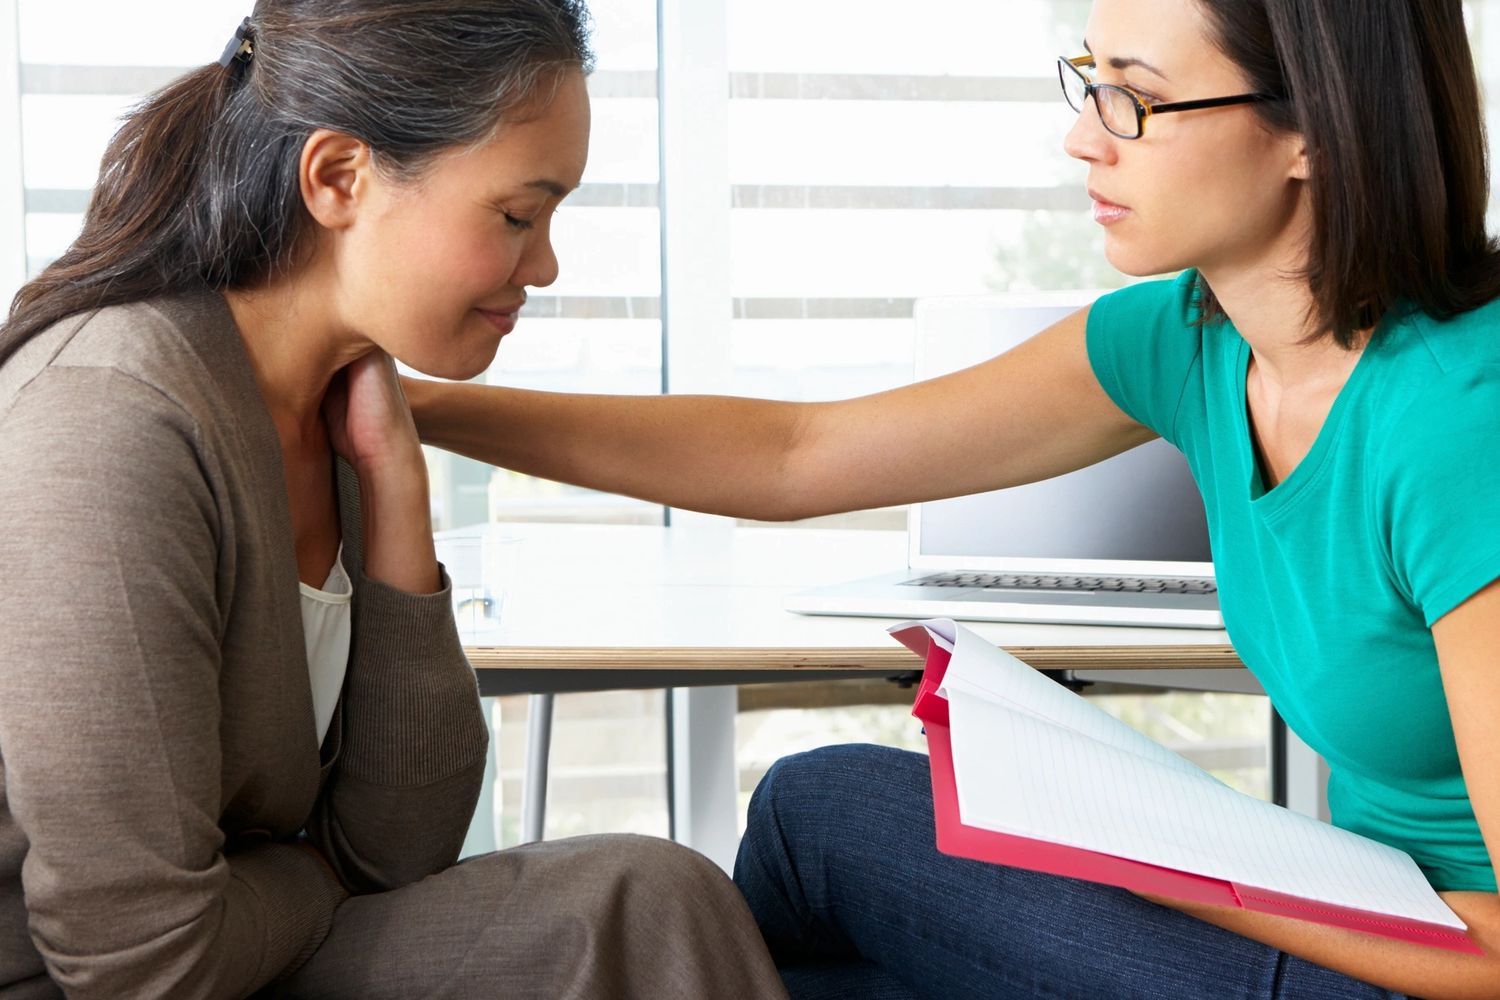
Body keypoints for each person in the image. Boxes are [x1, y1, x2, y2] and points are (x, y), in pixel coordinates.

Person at [401, 0, 1500, 996]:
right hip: (1356, 925)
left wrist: (1175, 864)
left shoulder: (1461, 419)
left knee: (816, 811)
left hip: (1424, 972)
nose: (1085, 134)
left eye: (1139, 98)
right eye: (1090, 80)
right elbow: (797, 456)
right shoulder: (1191, 341)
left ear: (1313, 126)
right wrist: (425, 411)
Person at [0, 3, 792, 998]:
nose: (544, 265)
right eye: (517, 215)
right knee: (641, 903)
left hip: (242, 952)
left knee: (649, 901)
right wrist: (316, 868)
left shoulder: (335, 414)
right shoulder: (109, 424)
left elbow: (398, 846)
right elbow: (143, 963)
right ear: (339, 178)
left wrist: (397, 491)